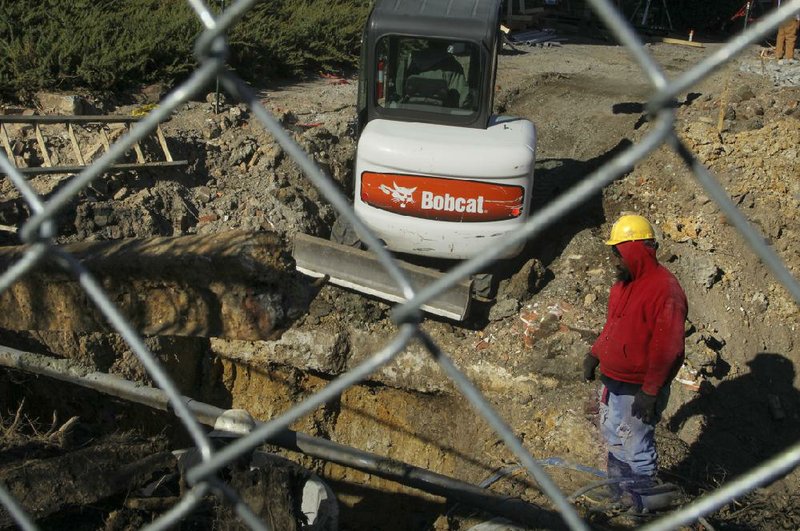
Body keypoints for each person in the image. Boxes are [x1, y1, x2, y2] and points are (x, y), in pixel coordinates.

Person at [582, 214, 688, 511]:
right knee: (613, 435)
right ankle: (618, 495)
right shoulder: (623, 286)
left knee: (636, 445)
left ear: (636, 251)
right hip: (613, 379)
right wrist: (596, 353)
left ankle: (643, 506)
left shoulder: (664, 290)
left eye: (619, 253)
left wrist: (651, 391)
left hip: (640, 386)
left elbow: (669, 348)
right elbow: (613, 326)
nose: (614, 260)